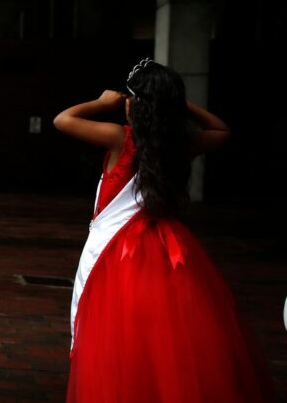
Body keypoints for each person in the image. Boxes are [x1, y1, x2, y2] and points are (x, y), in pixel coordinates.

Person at [54, 59, 272, 402]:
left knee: (117, 336)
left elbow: (63, 120)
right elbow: (222, 131)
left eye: (129, 98)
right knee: (164, 337)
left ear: (135, 104)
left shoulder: (120, 139)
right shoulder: (183, 142)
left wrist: (102, 102)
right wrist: (177, 104)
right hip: (168, 248)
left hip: (116, 253)